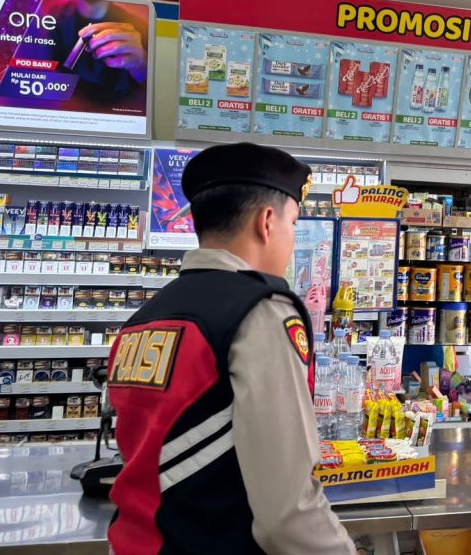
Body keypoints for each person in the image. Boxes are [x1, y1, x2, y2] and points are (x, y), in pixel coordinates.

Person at [106, 143, 355, 555]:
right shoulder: (259, 313)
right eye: (293, 224)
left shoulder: (145, 318)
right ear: (267, 222)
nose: (291, 240)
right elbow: (288, 515)